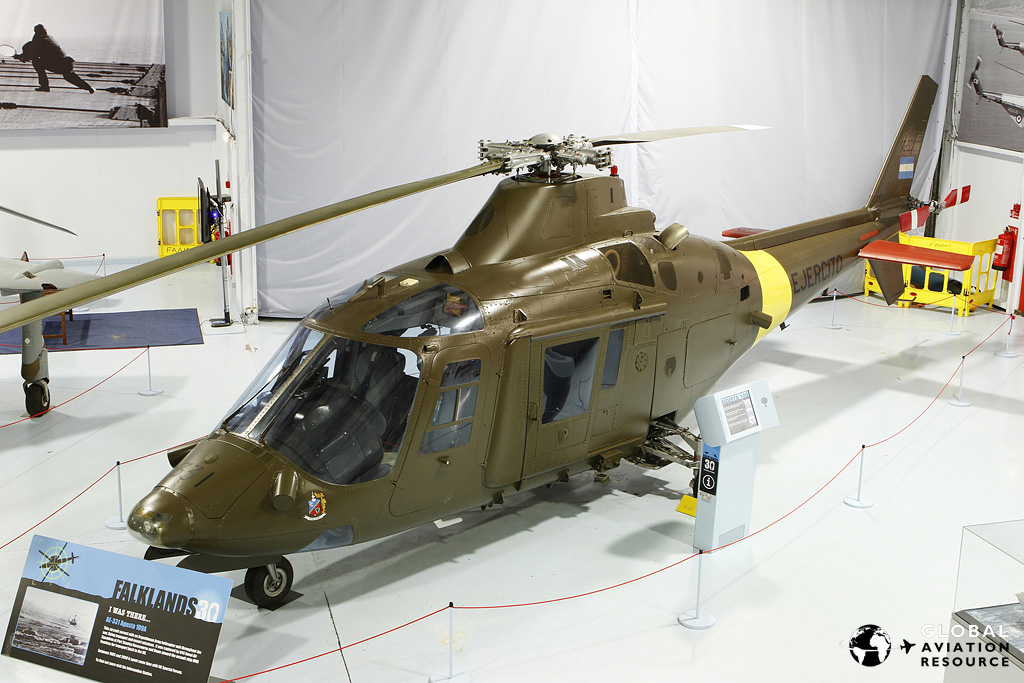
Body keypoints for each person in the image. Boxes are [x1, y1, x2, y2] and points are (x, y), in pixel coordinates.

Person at [15, 24, 93, 93]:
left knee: (36, 62)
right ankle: (89, 87)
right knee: (70, 76)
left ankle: (44, 86)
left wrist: (23, 57)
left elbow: (32, 55)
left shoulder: (39, 40)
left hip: (59, 64)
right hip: (67, 62)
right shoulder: (49, 38)